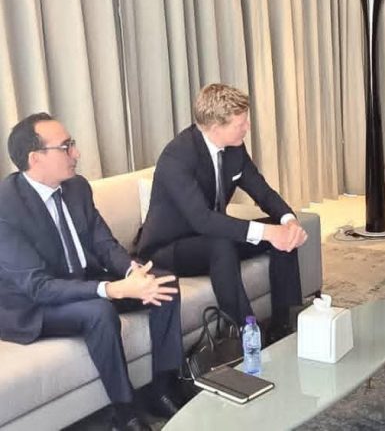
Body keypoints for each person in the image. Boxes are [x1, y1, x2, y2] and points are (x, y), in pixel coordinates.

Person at [0, 113, 184, 431]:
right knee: (98, 311)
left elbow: (104, 244)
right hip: (32, 305)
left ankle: (163, 388)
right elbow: (38, 286)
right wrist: (111, 290)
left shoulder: (76, 187)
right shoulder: (6, 206)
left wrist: (132, 272)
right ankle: (125, 412)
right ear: (35, 158)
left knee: (163, 283)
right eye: (66, 147)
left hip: (80, 281)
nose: (77, 153)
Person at [137, 83, 307, 337]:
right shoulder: (177, 157)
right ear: (216, 128)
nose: (247, 127)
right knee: (222, 244)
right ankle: (246, 334)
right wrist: (267, 233)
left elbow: (261, 190)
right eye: (241, 124)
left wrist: (288, 221)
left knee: (281, 235)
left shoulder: (234, 148)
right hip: (168, 248)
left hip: (211, 235)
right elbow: (203, 220)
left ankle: (287, 327)